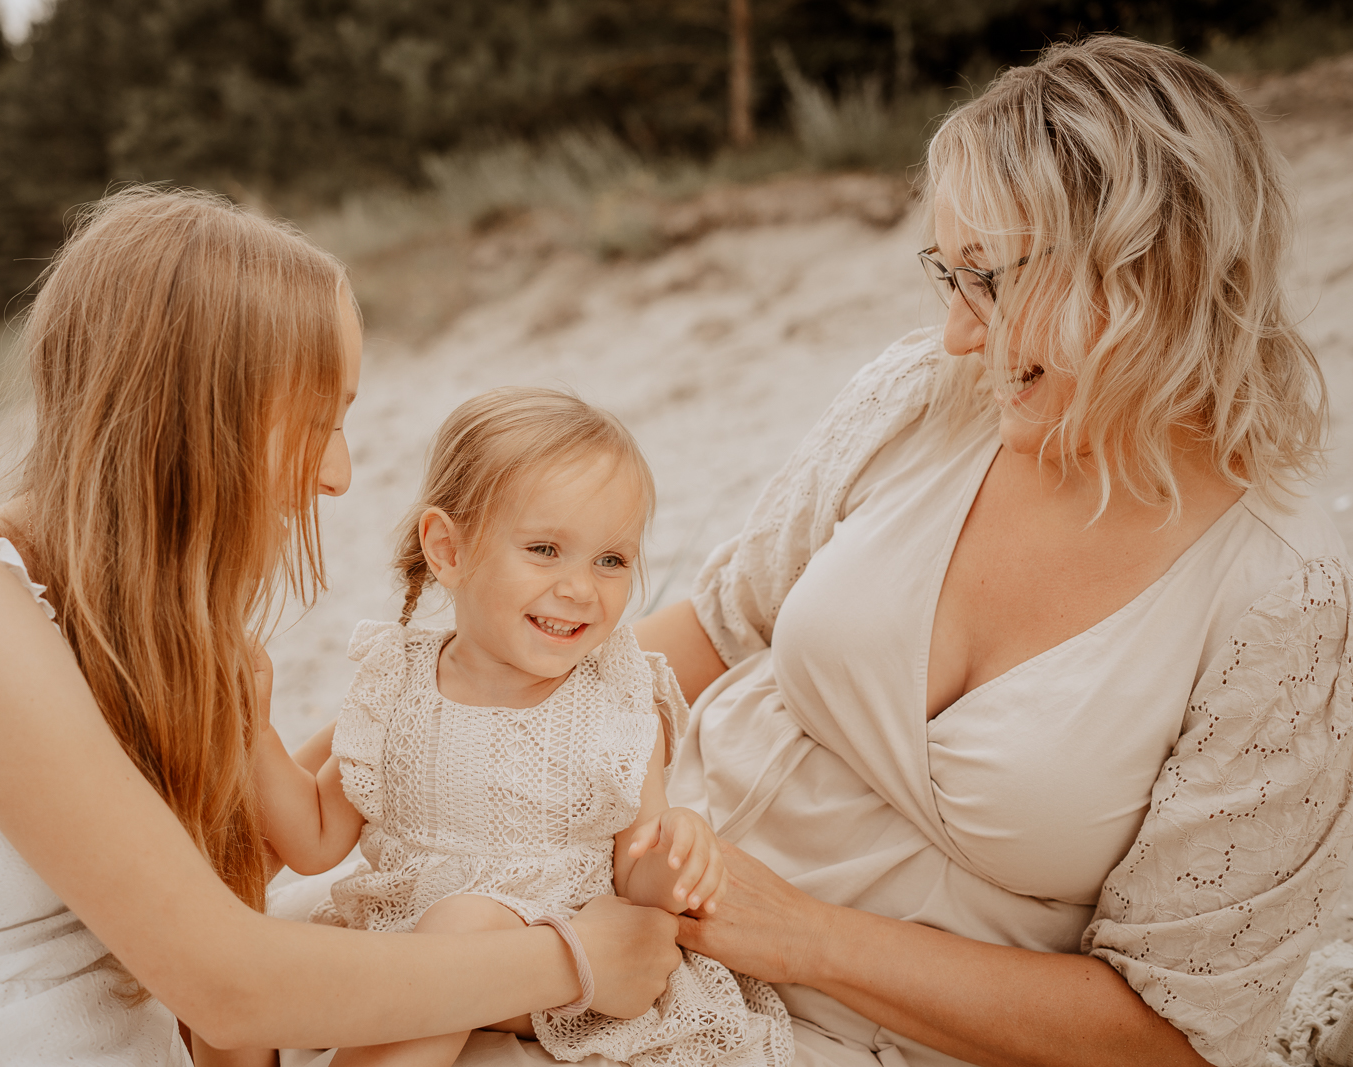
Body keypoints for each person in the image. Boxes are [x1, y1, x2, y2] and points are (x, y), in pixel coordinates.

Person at [315, 34, 1350, 1067]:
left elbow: (1173, 1035)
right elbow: (711, 627)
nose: (958, 332)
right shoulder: (924, 398)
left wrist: (808, 939)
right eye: (949, 276)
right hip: (607, 897)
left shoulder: (1281, 599)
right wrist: (395, 730)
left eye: (988, 280)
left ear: (1146, 272)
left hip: (846, 1032)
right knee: (309, 1008)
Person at [0, 189, 681, 1065]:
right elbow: (232, 984)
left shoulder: (149, 630)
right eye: (317, 421)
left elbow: (247, 935)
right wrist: (574, 959)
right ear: (196, 416)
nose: (338, 474)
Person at [215, 387, 792, 1067]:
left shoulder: (616, 700)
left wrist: (675, 857)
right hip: (404, 946)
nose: (581, 587)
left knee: (464, 925)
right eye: (545, 549)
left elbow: (635, 875)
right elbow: (314, 838)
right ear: (449, 550)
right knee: (245, 966)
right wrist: (253, 731)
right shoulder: (397, 685)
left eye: (611, 559)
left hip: (560, 964)